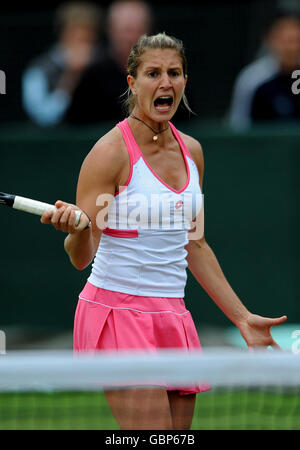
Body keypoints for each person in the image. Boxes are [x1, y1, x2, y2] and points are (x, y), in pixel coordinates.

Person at [40, 32, 287, 430]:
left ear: (185, 81)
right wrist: (77, 229)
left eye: (174, 73)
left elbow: (194, 242)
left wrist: (242, 318)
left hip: (172, 313)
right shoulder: (109, 154)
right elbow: (81, 256)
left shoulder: (193, 152)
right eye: (152, 73)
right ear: (132, 83)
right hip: (116, 312)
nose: (165, 83)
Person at [68, 0, 154, 123]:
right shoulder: (92, 75)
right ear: (111, 31)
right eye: (126, 30)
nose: (131, 37)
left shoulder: (164, 75)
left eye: (137, 30)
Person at [22, 2, 104, 126]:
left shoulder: (106, 64)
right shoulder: (40, 69)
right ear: (63, 33)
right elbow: (44, 117)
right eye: (74, 34)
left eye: (87, 36)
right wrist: (70, 76)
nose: (81, 42)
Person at [228, 11, 300, 130]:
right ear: (269, 40)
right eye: (285, 40)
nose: (291, 48)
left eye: (296, 40)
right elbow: (238, 127)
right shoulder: (252, 80)